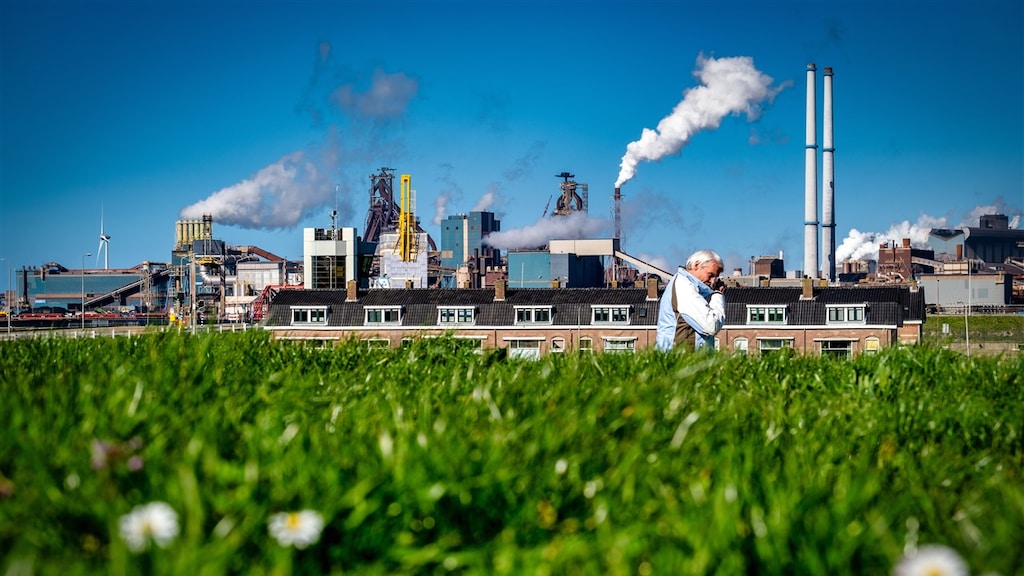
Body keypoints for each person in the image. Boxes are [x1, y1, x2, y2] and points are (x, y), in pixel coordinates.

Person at [656, 249, 726, 351]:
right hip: (680, 361)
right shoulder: (684, 288)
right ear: (696, 265)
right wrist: (718, 295)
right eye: (710, 275)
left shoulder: (684, 285)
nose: (713, 281)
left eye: (715, 277)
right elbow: (711, 326)